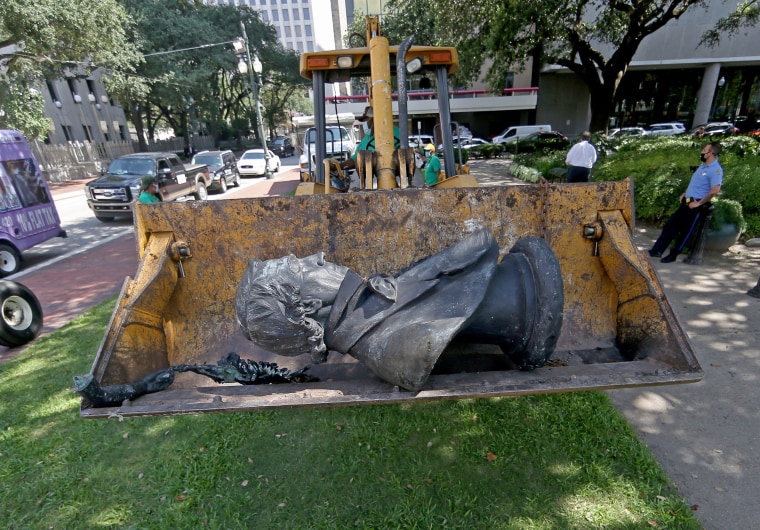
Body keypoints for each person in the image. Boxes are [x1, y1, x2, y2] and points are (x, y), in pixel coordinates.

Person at [234, 229, 564, 391]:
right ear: (307, 307)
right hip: (528, 311)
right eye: (305, 268)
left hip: (523, 284)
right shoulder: (398, 348)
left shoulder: (374, 305)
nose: (317, 257)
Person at [648, 142, 723, 263]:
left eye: (705, 150)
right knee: (670, 225)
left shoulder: (716, 170)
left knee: (685, 232)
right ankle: (657, 250)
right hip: (687, 201)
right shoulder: (702, 166)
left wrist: (699, 203)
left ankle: (673, 255)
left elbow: (715, 189)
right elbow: (694, 183)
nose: (702, 152)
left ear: (711, 153)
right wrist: (685, 193)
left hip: (696, 205)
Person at [339, 106, 401, 173]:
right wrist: (338, 166)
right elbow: (355, 159)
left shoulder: (395, 132)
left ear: (375, 119)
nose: (364, 123)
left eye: (366, 119)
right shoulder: (366, 139)